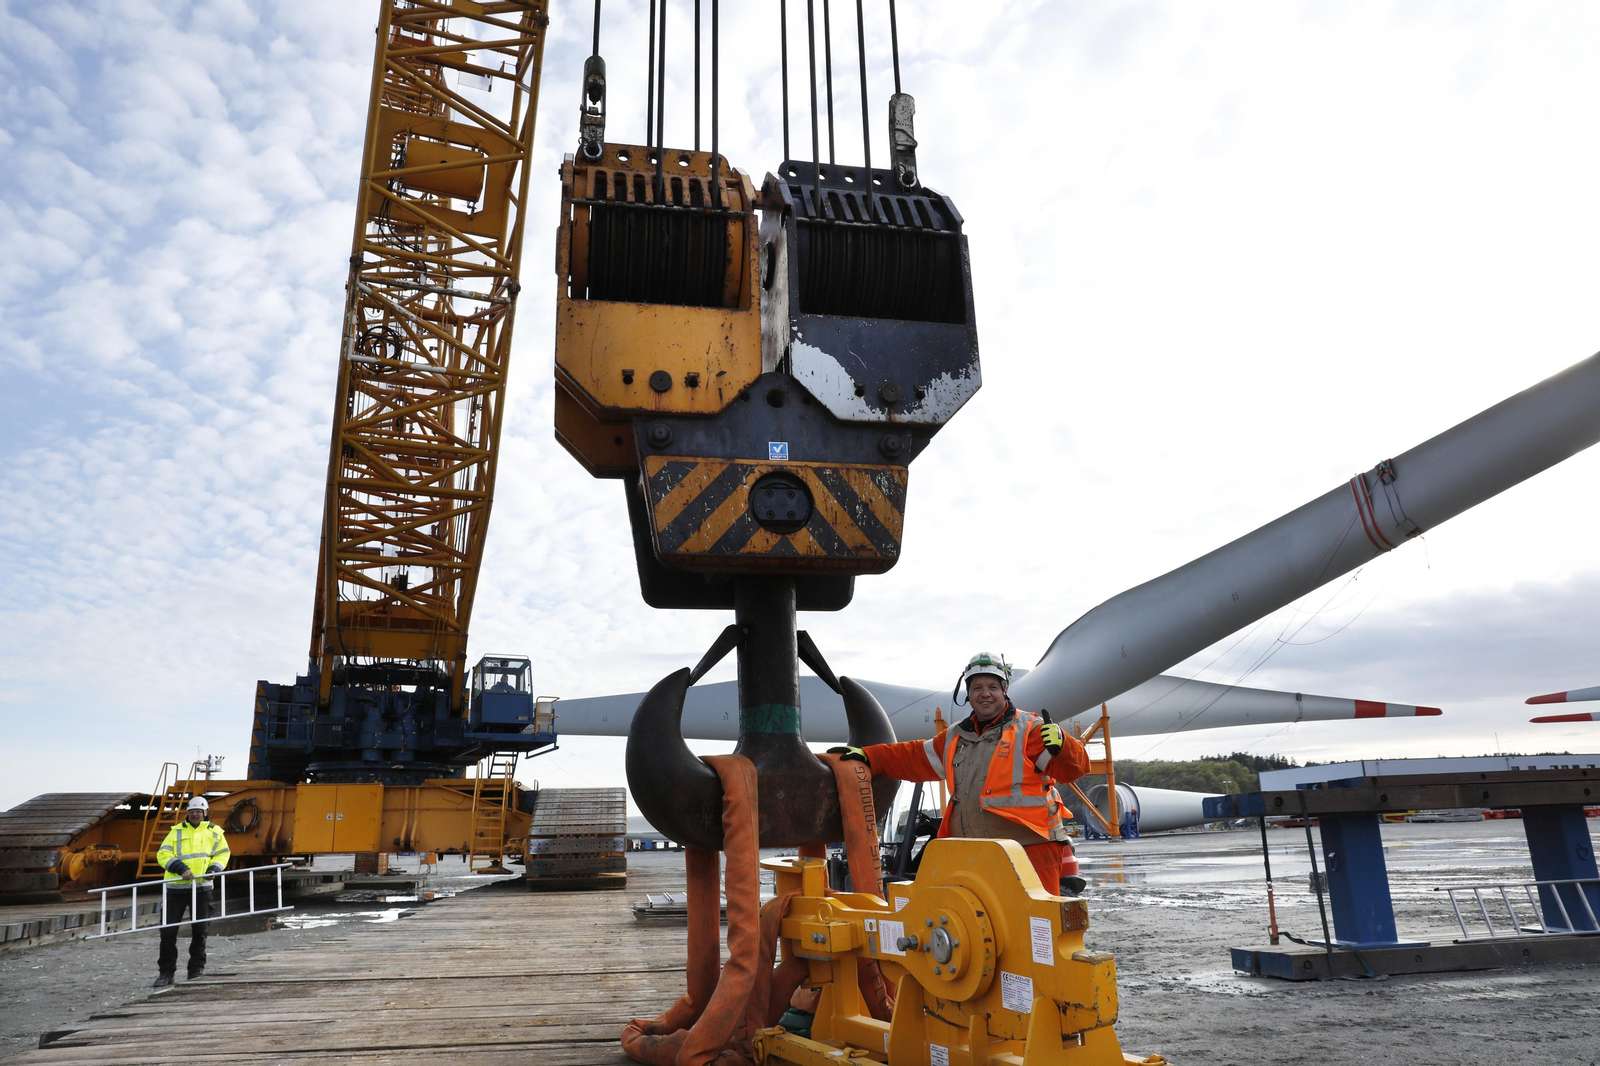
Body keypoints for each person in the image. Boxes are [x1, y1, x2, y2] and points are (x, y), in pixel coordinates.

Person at [829, 652, 1089, 894]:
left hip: (1032, 851)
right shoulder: (956, 736)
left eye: (992, 687)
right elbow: (914, 756)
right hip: (977, 853)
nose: (985, 694)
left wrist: (1064, 745)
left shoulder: (1030, 729)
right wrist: (871, 756)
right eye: (977, 688)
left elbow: (1072, 770)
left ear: (1005, 691)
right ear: (968, 694)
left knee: (1037, 929)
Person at [152, 796, 230, 987]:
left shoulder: (215, 832)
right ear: (188, 813)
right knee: (168, 932)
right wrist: (180, 869)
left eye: (199, 811)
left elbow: (223, 854)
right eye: (192, 811)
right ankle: (166, 973)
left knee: (200, 931)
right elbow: (163, 854)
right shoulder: (176, 831)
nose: (195, 814)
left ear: (205, 813)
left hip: (202, 888)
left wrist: (215, 870)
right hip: (176, 888)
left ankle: (196, 971)